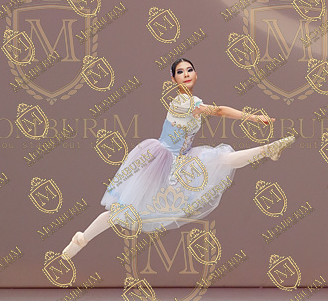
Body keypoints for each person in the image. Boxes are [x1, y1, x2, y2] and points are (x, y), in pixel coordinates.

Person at [62, 58, 295, 258]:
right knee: (123, 210)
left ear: (196, 74)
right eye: (180, 72)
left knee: (222, 158)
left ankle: (267, 150)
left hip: (182, 158)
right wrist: (253, 117)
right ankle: (81, 238)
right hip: (163, 161)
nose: (186, 74)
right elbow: (220, 111)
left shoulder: (192, 100)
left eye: (189, 70)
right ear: (173, 79)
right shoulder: (186, 102)